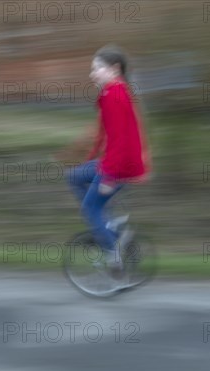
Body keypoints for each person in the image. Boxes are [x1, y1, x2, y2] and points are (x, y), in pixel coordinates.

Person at [67, 44, 151, 270]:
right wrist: (90, 159)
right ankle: (110, 224)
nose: (91, 74)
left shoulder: (115, 95)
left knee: (90, 208)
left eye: (97, 68)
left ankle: (113, 253)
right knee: (74, 176)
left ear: (114, 69)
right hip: (115, 162)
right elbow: (105, 135)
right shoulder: (112, 93)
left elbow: (123, 139)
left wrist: (109, 177)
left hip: (119, 167)